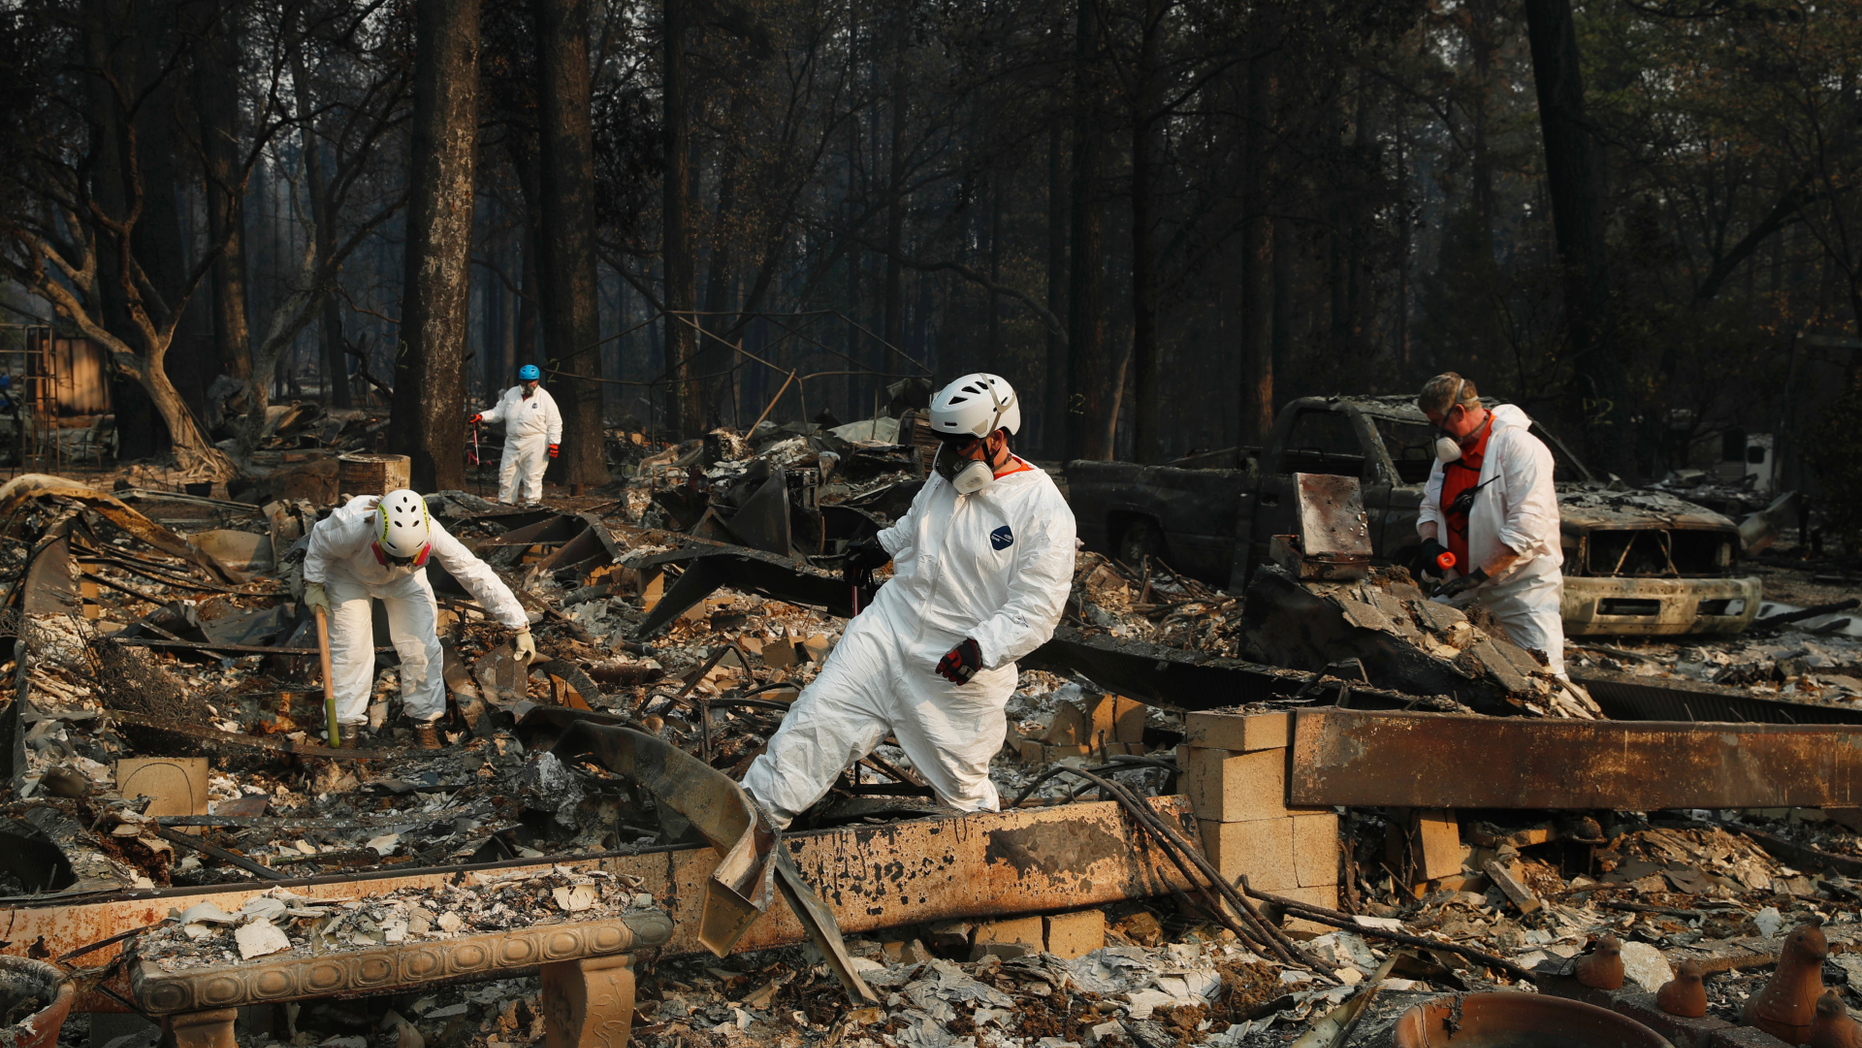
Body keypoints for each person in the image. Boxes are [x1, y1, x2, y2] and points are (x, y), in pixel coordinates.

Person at [740, 374, 1077, 829]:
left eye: (959, 444)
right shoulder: (946, 479)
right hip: (886, 634)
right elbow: (917, 522)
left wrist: (982, 649)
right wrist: (881, 546)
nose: (946, 456)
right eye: (943, 442)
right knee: (812, 728)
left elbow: (1038, 605)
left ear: (997, 438)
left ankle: (981, 870)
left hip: (955, 668)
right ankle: (745, 825)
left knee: (963, 794)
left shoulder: (1041, 508)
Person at [302, 489, 534, 749]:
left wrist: (518, 625)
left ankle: (424, 724)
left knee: (421, 647)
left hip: (406, 581)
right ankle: (346, 728)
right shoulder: (350, 525)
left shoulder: (432, 532)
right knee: (351, 648)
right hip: (349, 576)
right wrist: (313, 582)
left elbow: (474, 573)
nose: (399, 562)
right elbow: (319, 543)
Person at [1416, 373, 1568, 678]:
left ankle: (1563, 723)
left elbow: (1528, 526)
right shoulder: (1449, 455)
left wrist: (1480, 575)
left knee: (1545, 675)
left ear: (1458, 412)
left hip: (1521, 585)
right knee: (1425, 654)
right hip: (1460, 582)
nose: (1437, 432)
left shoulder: (1519, 448)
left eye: (1437, 423)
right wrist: (1430, 543)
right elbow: (1430, 506)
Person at [471, 364, 562, 507]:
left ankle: (532, 504)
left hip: (536, 441)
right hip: (513, 442)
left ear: (536, 381)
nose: (528, 384)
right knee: (507, 473)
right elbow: (498, 412)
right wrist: (482, 416)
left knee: (533, 475)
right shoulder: (511, 394)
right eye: (524, 381)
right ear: (520, 380)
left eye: (531, 381)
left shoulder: (544, 398)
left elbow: (555, 422)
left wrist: (554, 442)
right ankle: (506, 503)